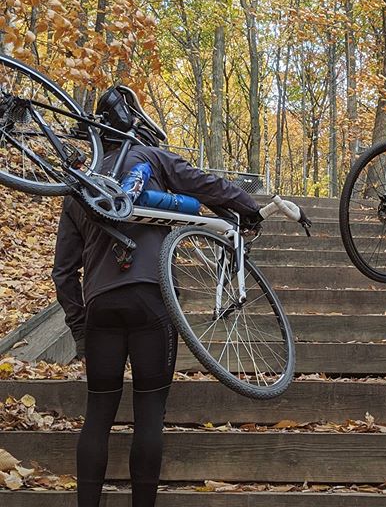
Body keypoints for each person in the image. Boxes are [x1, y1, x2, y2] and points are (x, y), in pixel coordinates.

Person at [52, 86, 264, 506]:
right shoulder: (149, 157)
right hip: (152, 298)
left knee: (98, 415)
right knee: (149, 414)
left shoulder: (80, 187)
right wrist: (248, 206)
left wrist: (79, 329)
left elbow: (62, 272)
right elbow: (205, 183)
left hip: (100, 307)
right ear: (133, 125)